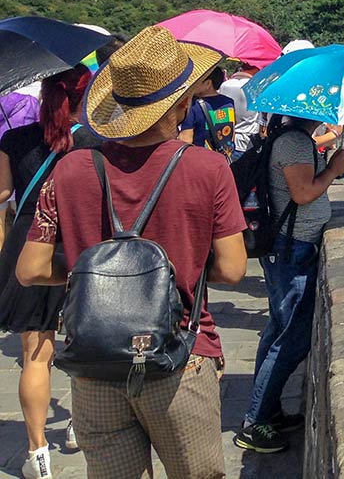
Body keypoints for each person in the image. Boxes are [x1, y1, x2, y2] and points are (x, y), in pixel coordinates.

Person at [15, 27, 248, 479]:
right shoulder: (207, 168)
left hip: (95, 365)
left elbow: (31, 269)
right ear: (182, 104)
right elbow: (234, 269)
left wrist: (97, 273)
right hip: (179, 355)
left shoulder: (71, 169)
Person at [0, 67, 97, 479]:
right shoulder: (94, 142)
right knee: (85, 346)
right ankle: (77, 425)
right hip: (78, 242)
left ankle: (38, 455)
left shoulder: (14, 138)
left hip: (29, 245)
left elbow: (3, 194)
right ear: (83, 96)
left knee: (34, 355)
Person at [238, 111, 344, 453]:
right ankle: (254, 423)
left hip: (288, 248)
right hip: (293, 251)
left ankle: (268, 411)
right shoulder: (295, 143)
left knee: (276, 332)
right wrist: (334, 169)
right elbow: (302, 193)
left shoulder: (289, 139)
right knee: (291, 341)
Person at [178, 66, 236, 160]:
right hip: (225, 158)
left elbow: (185, 139)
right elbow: (232, 129)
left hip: (201, 160)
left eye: (197, 81)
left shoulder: (193, 106)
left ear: (208, 83)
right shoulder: (229, 102)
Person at [217, 61, 261, 160]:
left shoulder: (225, 85)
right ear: (256, 69)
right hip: (247, 142)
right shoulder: (255, 87)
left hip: (226, 140)